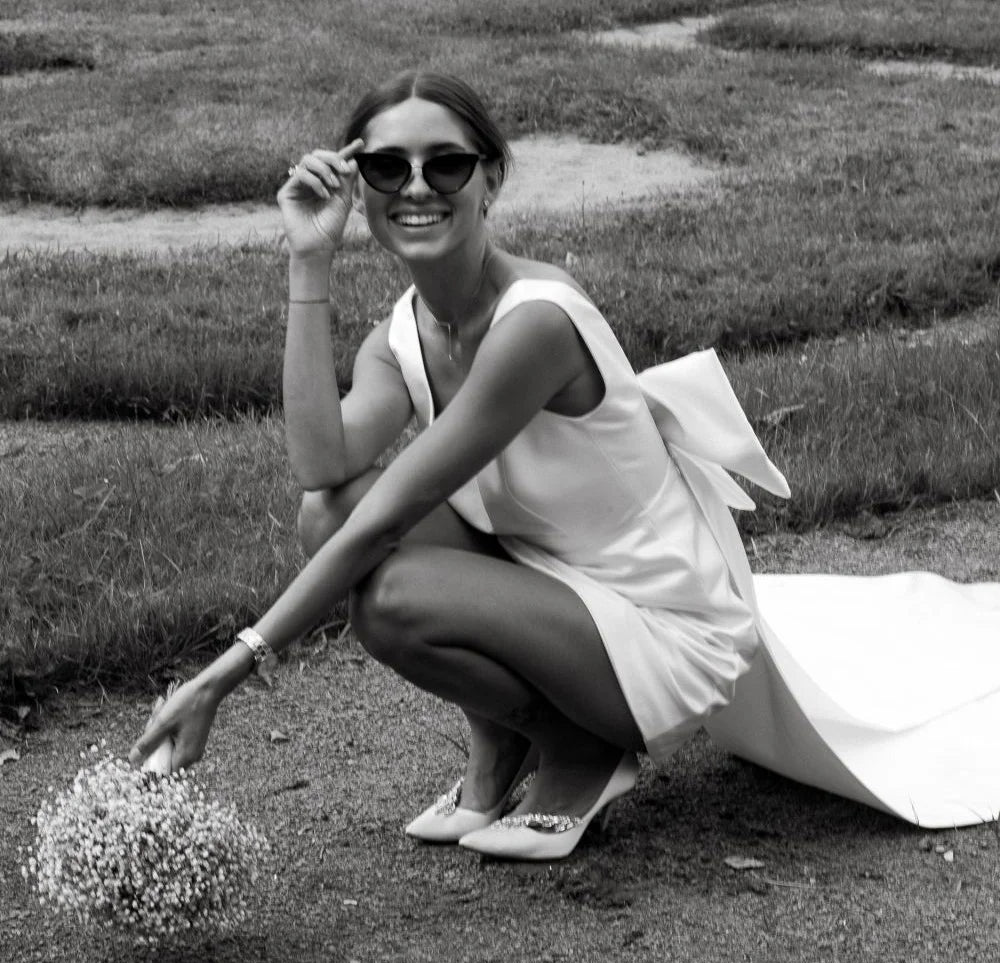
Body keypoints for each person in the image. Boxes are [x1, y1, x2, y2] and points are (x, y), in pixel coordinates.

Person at [130, 70, 1000, 857]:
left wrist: (229, 669)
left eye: (448, 165)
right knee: (327, 513)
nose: (419, 187)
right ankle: (505, 736)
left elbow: (392, 516)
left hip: (660, 626)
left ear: (492, 178)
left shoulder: (536, 323)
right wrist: (307, 259)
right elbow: (321, 466)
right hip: (553, 585)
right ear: (360, 189)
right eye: (388, 169)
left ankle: (583, 747)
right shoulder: (402, 333)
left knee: (391, 590)